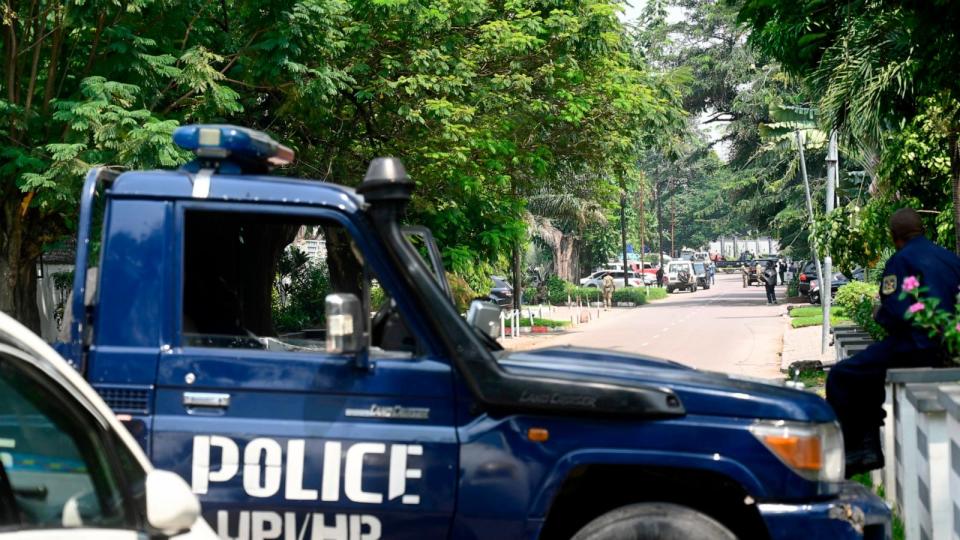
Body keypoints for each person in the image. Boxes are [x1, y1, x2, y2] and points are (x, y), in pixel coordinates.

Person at [826, 208, 960, 476]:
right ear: (922, 230)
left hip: (914, 346)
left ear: (894, 236)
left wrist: (879, 313)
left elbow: (896, 314)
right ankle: (868, 446)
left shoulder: (900, 262)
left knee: (843, 376)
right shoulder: (950, 259)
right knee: (871, 373)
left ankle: (860, 449)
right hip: (949, 347)